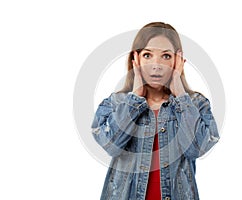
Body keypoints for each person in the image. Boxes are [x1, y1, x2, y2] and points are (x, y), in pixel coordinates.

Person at [91, 22, 220, 200]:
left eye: (166, 56)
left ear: (178, 60)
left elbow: (197, 149)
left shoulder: (195, 104)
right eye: (147, 55)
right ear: (135, 59)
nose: (157, 65)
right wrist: (135, 98)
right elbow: (111, 145)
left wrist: (181, 95)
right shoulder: (116, 103)